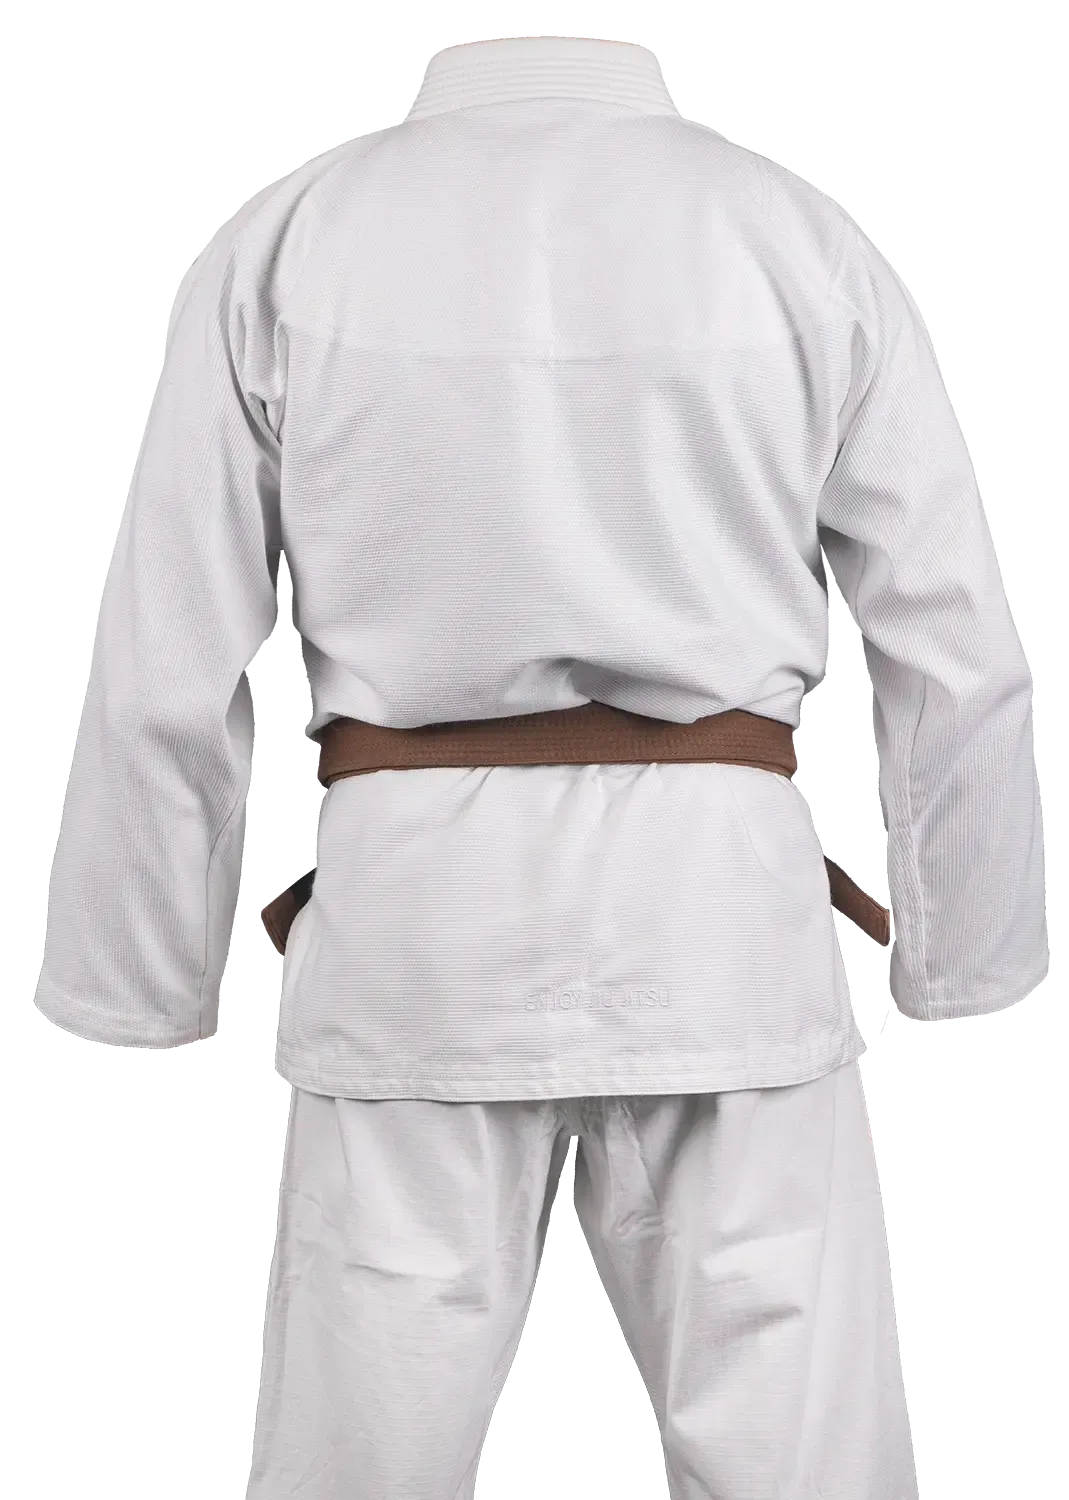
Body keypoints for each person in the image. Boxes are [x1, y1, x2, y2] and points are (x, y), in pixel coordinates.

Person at [33, 32, 1046, 1500]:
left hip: (417, 926)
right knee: (804, 1471)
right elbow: (955, 650)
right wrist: (966, 960)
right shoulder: (795, 232)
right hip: (719, 925)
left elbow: (165, 656)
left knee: (358, 1473)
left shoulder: (296, 236)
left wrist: (141, 982)